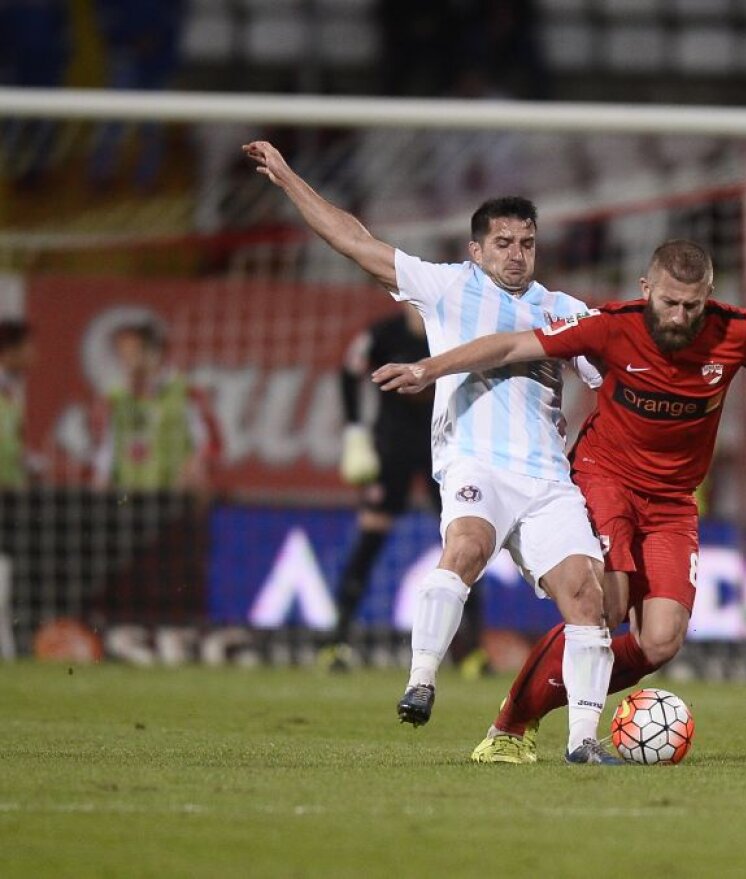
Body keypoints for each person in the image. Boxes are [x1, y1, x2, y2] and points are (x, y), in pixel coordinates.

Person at [374, 239, 746, 764]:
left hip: (674, 501)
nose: (679, 316)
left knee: (660, 641)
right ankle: (513, 724)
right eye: (669, 302)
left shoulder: (738, 330)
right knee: (603, 608)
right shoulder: (612, 325)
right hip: (605, 478)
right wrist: (430, 368)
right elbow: (514, 345)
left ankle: (554, 700)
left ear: (709, 296)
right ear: (646, 288)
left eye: (692, 306)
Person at [243, 139, 621, 764]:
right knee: (465, 546)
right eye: (503, 243)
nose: (517, 254)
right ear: (476, 250)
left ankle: (582, 742)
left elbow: (614, 377)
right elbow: (354, 240)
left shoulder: (564, 311)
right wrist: (287, 179)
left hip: (547, 476)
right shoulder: (446, 286)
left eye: (527, 243)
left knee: (586, 595)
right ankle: (421, 680)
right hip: (474, 462)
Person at [320, 309, 489, 678]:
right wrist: (354, 431)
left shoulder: (450, 332)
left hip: (443, 448)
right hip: (392, 447)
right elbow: (349, 372)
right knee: (372, 535)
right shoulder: (383, 334)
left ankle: (472, 649)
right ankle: (337, 641)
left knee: (464, 541)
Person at [91, 319, 222, 492]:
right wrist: (100, 487)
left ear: (155, 353)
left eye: (132, 354)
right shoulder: (115, 400)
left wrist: (193, 467)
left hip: (173, 495)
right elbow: (105, 456)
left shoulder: (185, 392)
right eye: (121, 355)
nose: (126, 362)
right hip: (127, 497)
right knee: (117, 500)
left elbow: (213, 445)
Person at [0, 319, 35, 488]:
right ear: (9, 350)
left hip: (11, 485)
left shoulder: (12, 391)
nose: (33, 353)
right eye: (28, 347)